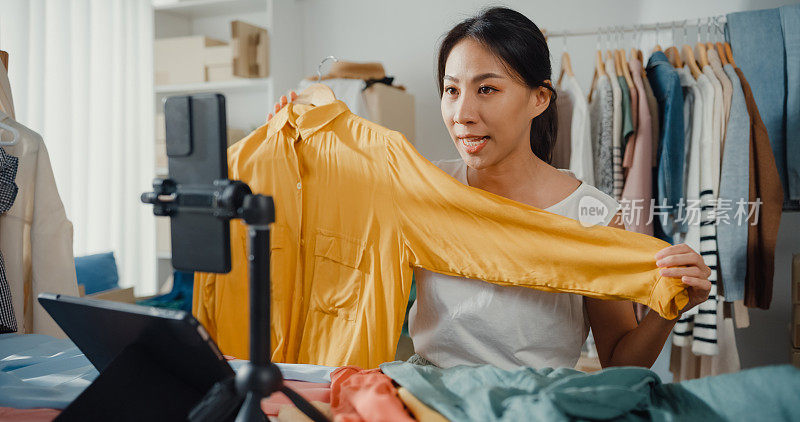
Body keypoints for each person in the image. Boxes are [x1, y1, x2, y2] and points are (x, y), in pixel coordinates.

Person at [267, 7, 711, 370]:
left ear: (539, 98)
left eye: (487, 89)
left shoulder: (592, 214)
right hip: (430, 402)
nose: (462, 113)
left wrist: (666, 311)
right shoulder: (422, 189)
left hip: (535, 408)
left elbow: (619, 365)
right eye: (451, 90)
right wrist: (293, 139)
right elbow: (316, 214)